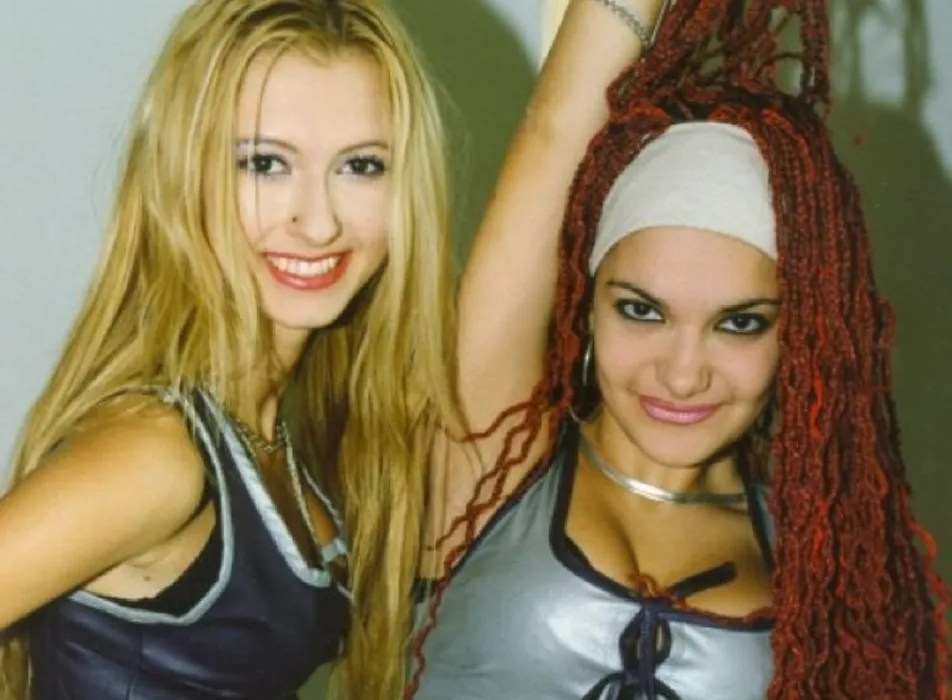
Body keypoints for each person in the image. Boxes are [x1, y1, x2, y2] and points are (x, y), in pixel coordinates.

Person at [410, 0, 951, 698]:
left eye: (740, 323)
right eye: (642, 311)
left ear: (800, 336)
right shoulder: (488, 460)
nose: (684, 374)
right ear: (585, 303)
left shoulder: (821, 556)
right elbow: (554, 130)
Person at [0, 1, 454, 698]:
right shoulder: (154, 455)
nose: (318, 222)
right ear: (185, 176)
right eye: (265, 163)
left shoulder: (278, 441)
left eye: (361, 166)